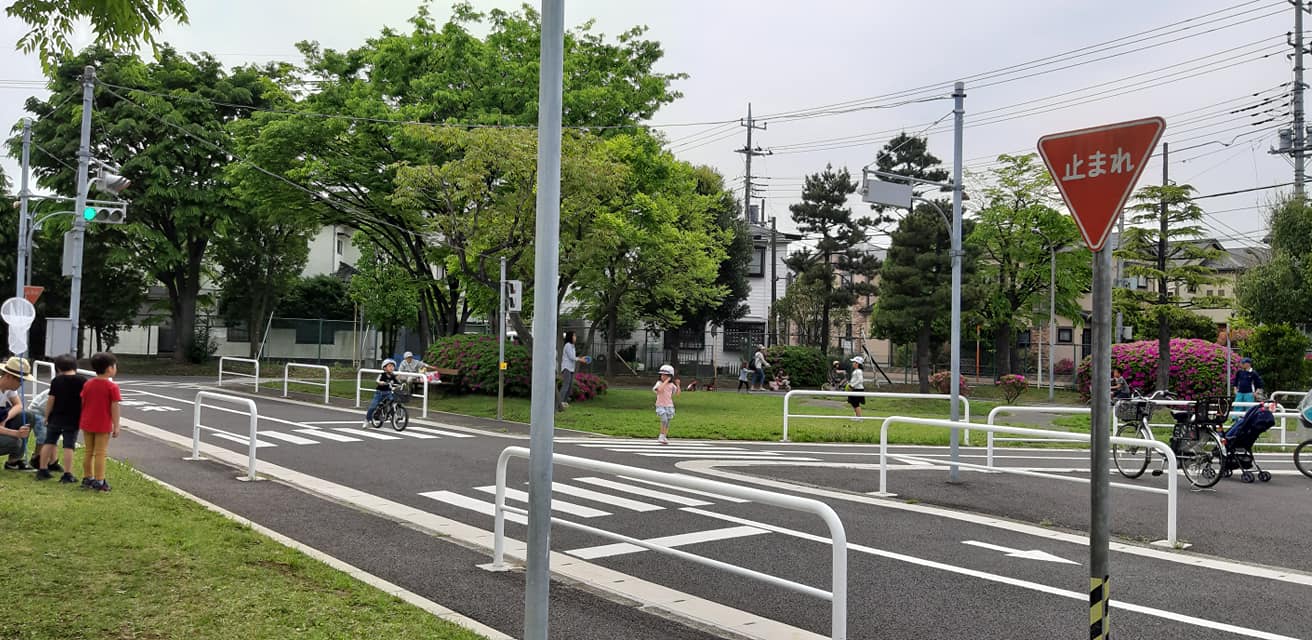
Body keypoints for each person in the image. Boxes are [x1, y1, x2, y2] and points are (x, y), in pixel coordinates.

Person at [36, 354, 84, 483]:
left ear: (58, 368)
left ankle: (42, 469)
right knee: (69, 445)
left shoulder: (56, 381)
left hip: (56, 417)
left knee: (49, 442)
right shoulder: (82, 381)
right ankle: (67, 474)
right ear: (75, 366)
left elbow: (51, 399)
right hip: (73, 418)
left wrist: (46, 416)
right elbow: (84, 400)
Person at [79, 352, 121, 492]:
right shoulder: (112, 387)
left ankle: (87, 477)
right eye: (114, 366)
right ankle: (99, 480)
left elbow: (83, 401)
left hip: (87, 422)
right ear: (109, 368)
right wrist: (116, 425)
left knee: (88, 451)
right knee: (101, 453)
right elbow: (114, 406)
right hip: (102, 424)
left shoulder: (88, 384)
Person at [0, 357, 36, 471]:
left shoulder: (8, 388)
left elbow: (19, 405)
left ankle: (14, 462)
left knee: (28, 416)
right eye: (20, 380)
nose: (22, 384)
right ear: (8, 376)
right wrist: (16, 433)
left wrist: (6, 418)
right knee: (16, 442)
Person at [557, 331, 591, 410]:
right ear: (570, 337)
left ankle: (564, 402)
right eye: (574, 336)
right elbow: (572, 357)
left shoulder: (572, 346)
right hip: (566, 368)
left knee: (570, 385)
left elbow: (574, 357)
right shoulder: (568, 345)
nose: (575, 337)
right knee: (566, 385)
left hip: (571, 369)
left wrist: (581, 358)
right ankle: (560, 402)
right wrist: (581, 359)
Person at [363, 358, 398, 427]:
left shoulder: (393, 376)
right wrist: (380, 382)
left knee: (393, 402)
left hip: (388, 392)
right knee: (373, 406)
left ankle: (393, 414)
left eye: (393, 366)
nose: (392, 368)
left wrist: (400, 384)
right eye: (390, 366)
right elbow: (377, 380)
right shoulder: (382, 375)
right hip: (380, 393)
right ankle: (367, 419)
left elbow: (397, 382)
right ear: (384, 368)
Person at [653, 364, 681, 445]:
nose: (662, 376)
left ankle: (664, 436)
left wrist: (678, 385)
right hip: (660, 405)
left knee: (667, 422)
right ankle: (661, 436)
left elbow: (678, 394)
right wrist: (665, 381)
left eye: (665, 375)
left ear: (670, 376)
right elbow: (659, 390)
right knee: (664, 419)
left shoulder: (671, 385)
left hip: (669, 406)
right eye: (661, 375)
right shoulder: (659, 383)